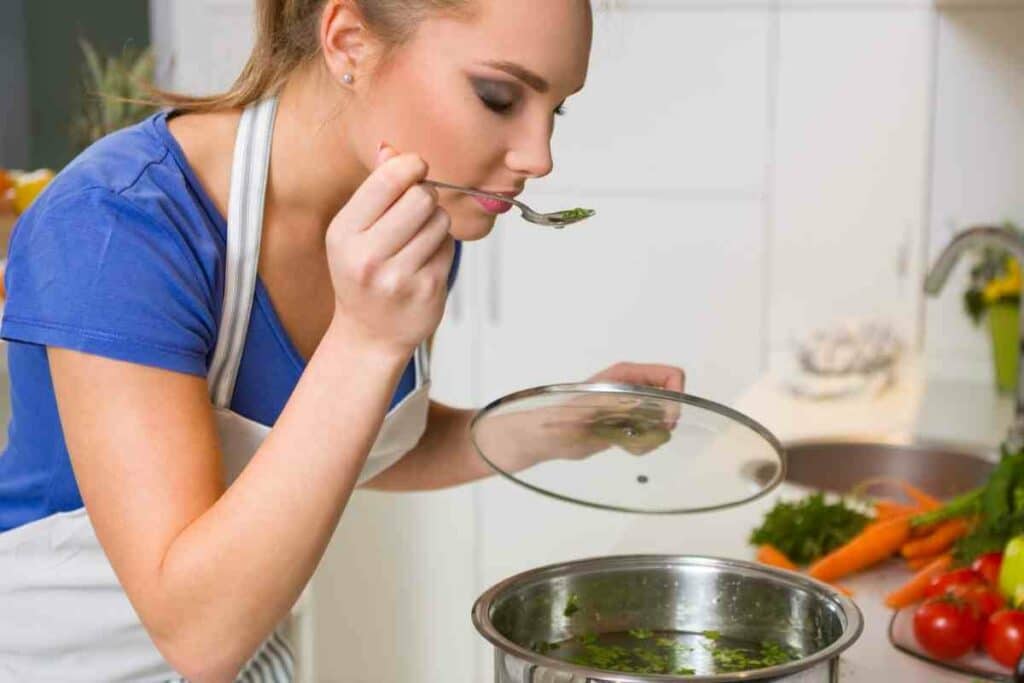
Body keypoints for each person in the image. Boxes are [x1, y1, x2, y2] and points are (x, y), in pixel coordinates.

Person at [0, 1, 685, 681]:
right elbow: (198, 632)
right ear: (349, 42)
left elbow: (357, 442)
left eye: (555, 109)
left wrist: (553, 424)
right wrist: (365, 339)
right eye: (499, 97)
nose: (540, 157)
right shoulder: (117, 227)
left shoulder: (413, 223)